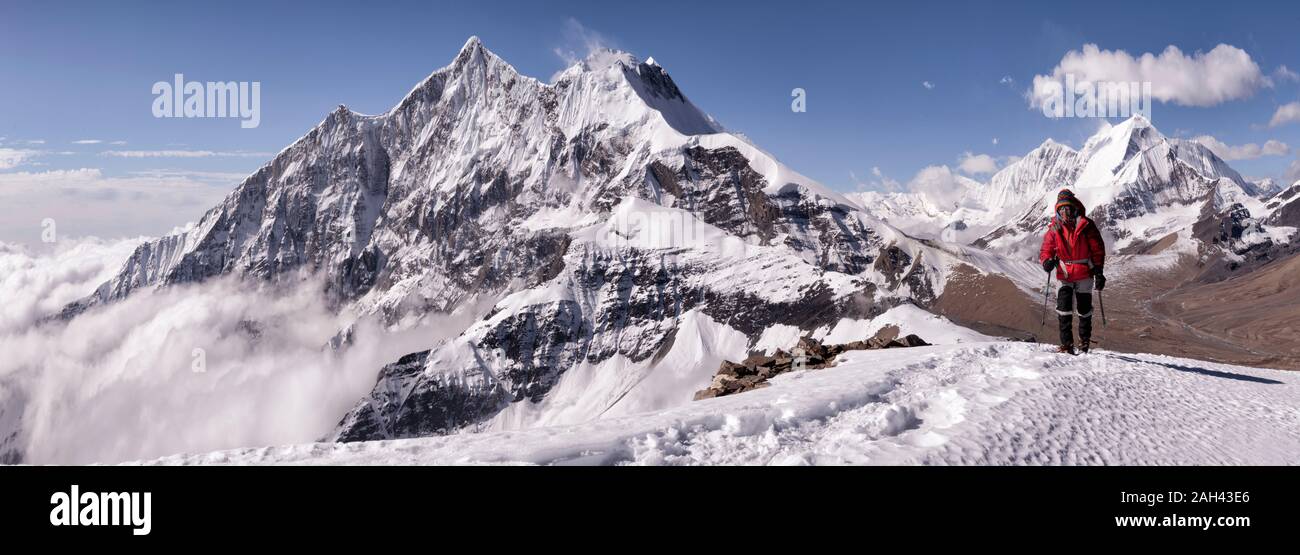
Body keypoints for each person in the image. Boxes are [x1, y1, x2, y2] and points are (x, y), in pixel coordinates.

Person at [1039, 189, 1106, 354]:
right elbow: (1046, 249)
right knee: (1064, 308)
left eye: (1067, 207)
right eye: (1062, 209)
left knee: (1084, 310)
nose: (1065, 211)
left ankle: (1084, 343)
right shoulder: (1055, 228)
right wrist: (1046, 260)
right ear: (1058, 210)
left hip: (1084, 272)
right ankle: (1067, 345)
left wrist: (1098, 271)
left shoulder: (1086, 225)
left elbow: (1097, 250)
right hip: (1065, 273)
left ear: (1074, 206)